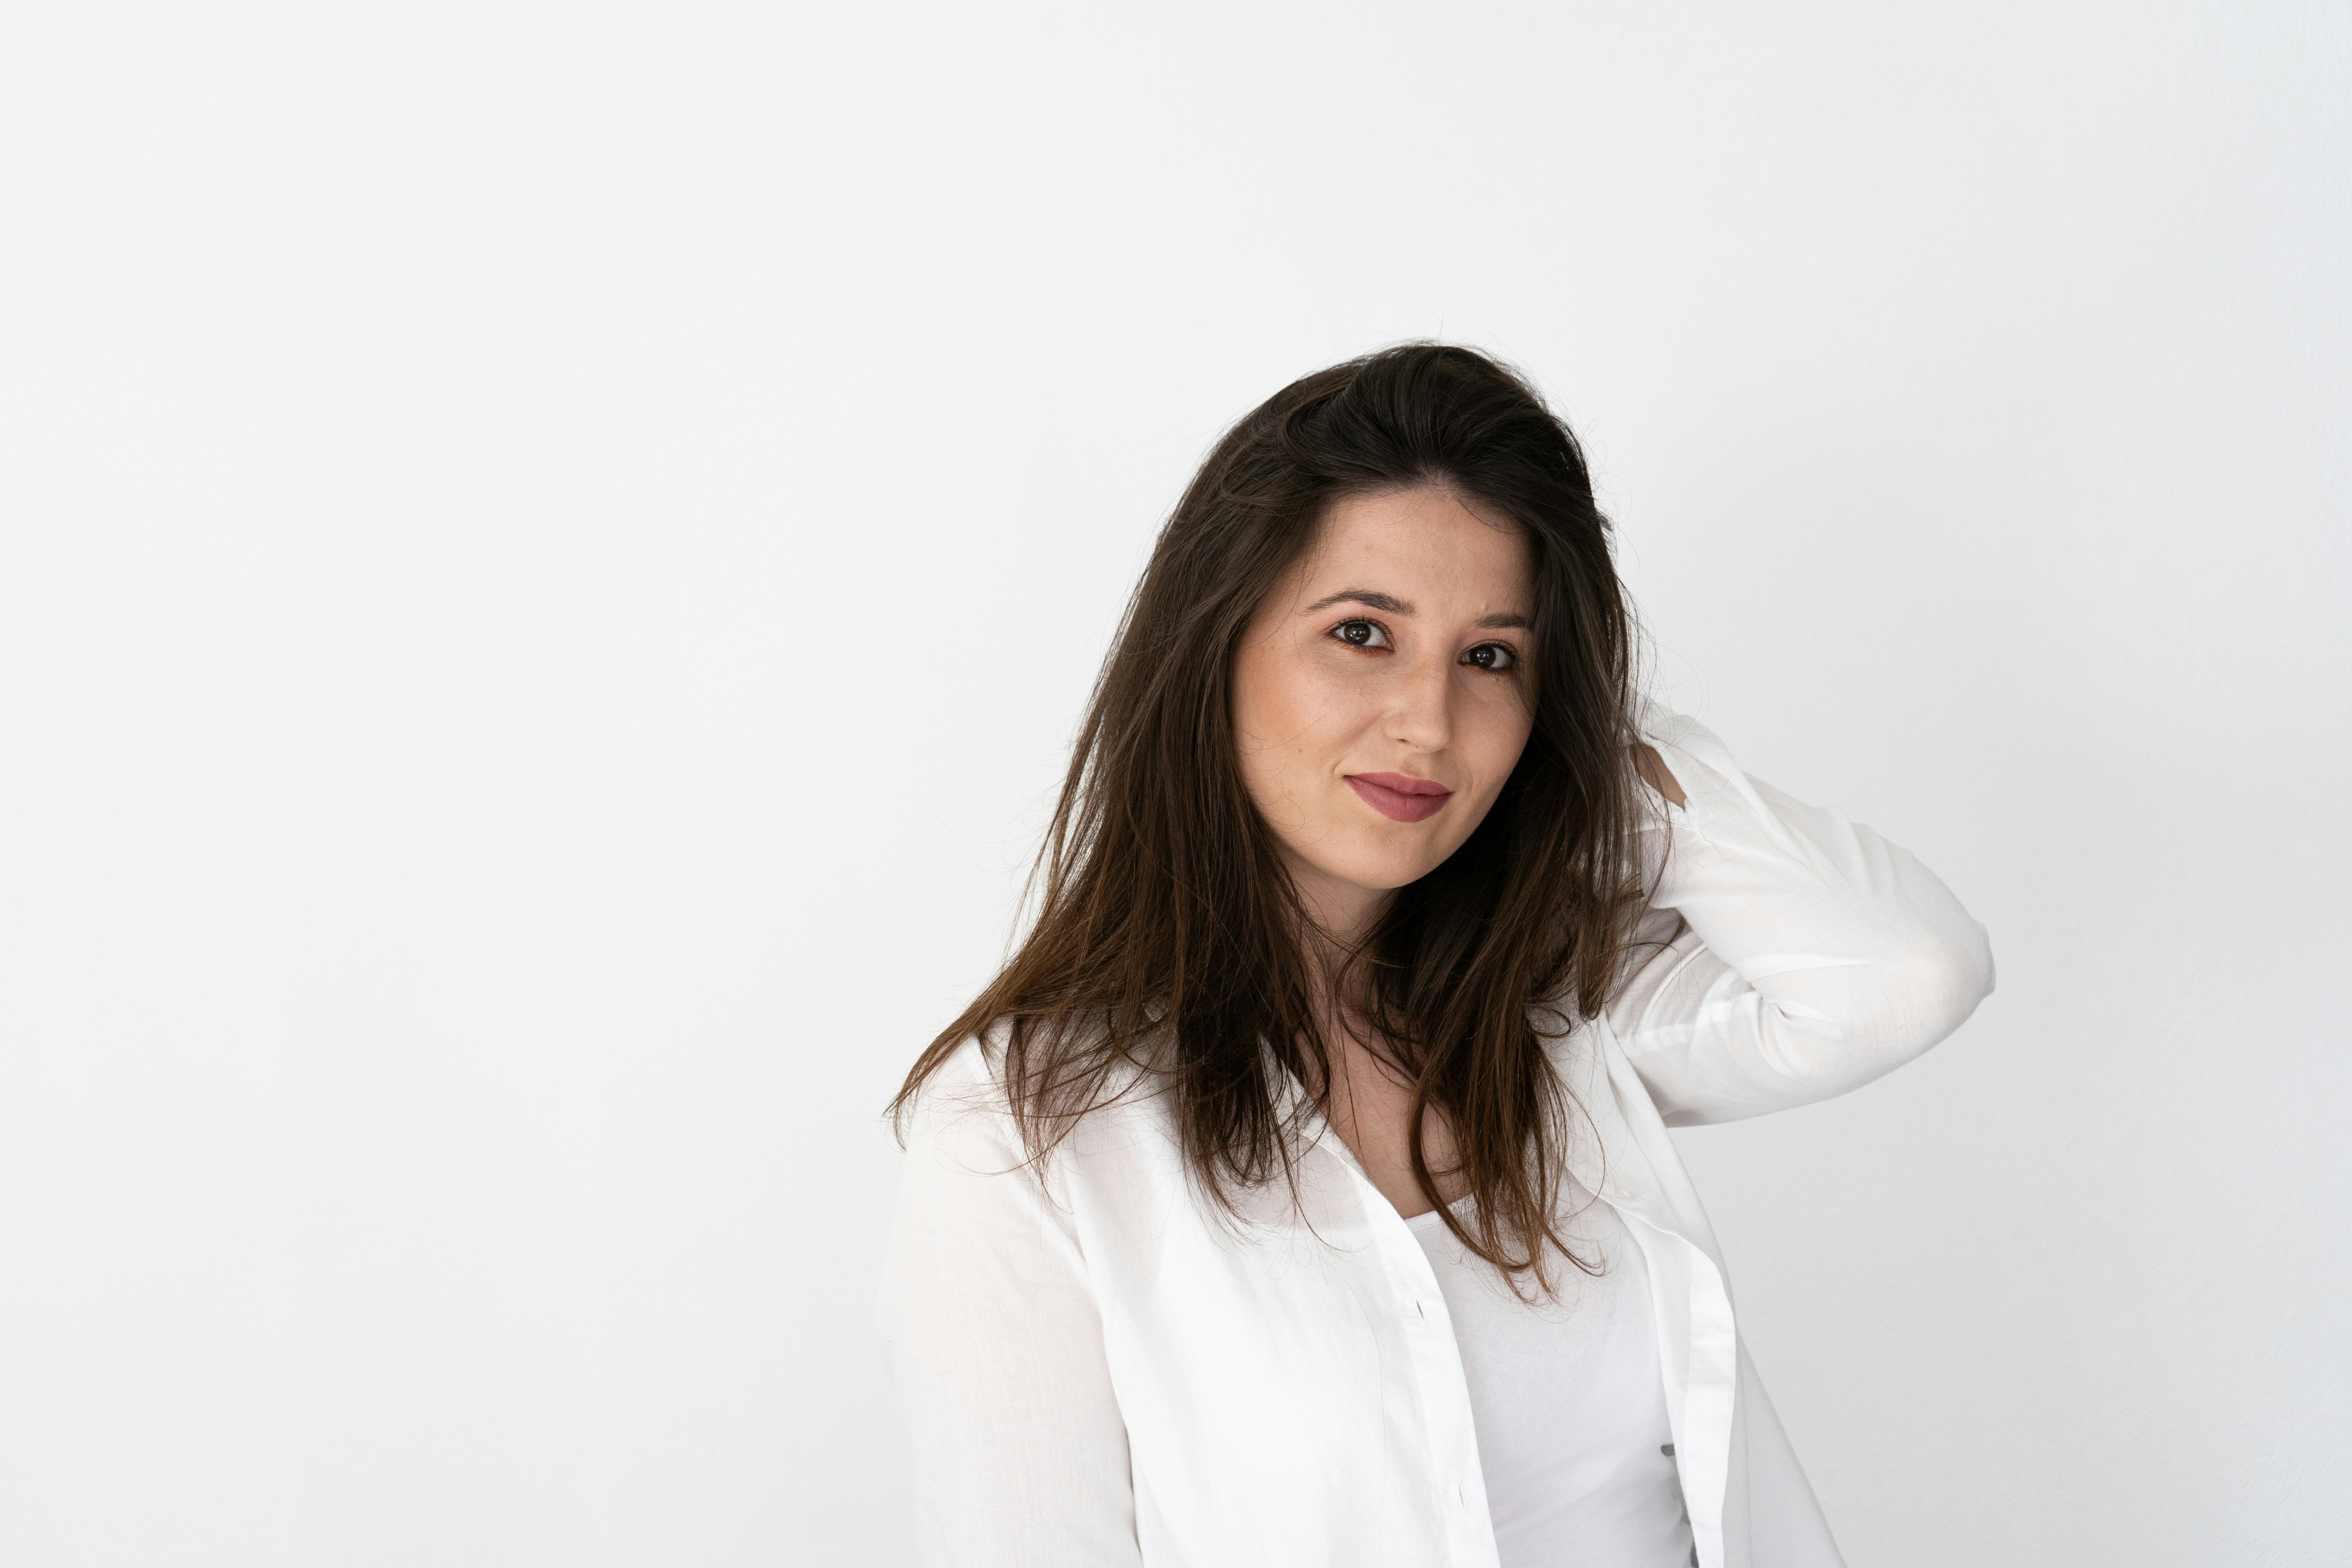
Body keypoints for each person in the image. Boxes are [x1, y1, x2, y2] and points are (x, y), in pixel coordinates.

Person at [880, 343, 1994, 1568]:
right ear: (1215, 646)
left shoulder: (1568, 1012)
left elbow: (1907, 976)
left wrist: (1598, 759)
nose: (1430, 722)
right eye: (1363, 632)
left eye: (1491, 657)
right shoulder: (1032, 1129)